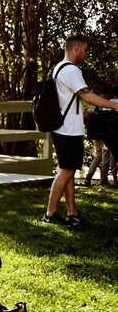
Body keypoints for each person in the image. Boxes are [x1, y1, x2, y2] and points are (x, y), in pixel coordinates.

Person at [43, 34, 118, 227]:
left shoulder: (58, 68)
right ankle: (50, 214)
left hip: (64, 128)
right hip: (68, 130)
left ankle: (72, 213)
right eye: (85, 50)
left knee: (68, 171)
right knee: (66, 172)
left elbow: (68, 100)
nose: (86, 54)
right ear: (76, 48)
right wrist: (115, 106)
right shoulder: (71, 70)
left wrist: (84, 113)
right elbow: (89, 97)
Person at [82, 84, 117, 187]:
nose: (112, 96)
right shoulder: (102, 103)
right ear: (107, 93)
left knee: (100, 156)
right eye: (110, 94)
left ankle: (90, 177)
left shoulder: (95, 102)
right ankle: (103, 179)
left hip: (96, 133)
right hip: (103, 133)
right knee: (105, 156)